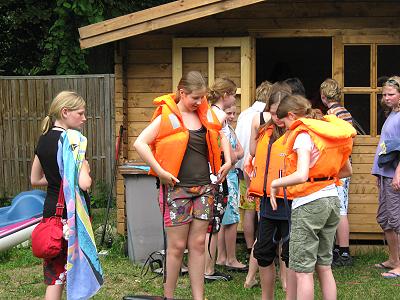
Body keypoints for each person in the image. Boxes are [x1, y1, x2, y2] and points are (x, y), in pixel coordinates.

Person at [134, 71, 231, 299]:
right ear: (182, 93)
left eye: (202, 98)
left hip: (205, 189)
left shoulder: (204, 115)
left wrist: (228, 160)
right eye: (195, 98)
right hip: (177, 190)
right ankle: (169, 296)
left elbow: (223, 133)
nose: (199, 102)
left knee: (198, 244)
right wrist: (160, 171)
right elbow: (141, 143)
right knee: (177, 246)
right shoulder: (167, 117)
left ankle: (199, 297)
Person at [270, 94, 355, 300]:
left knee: (303, 271)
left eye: (286, 124)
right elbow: (346, 171)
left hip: (309, 203)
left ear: (292, 115)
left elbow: (301, 175)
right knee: (324, 266)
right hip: (332, 200)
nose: (288, 129)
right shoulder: (328, 133)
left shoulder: (303, 135)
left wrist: (274, 184)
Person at [31, 91, 102, 300]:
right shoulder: (72, 140)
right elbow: (84, 184)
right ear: (65, 112)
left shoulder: (43, 139)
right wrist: (86, 169)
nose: (84, 118)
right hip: (69, 218)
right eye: (80, 113)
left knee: (56, 276)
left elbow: (35, 178)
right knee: (75, 272)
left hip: (51, 213)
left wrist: (59, 181)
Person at [248, 87, 297, 299]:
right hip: (268, 201)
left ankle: (290, 294)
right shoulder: (263, 130)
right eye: (274, 112)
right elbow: (253, 153)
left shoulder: (298, 133)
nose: (277, 117)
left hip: (292, 201)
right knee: (264, 252)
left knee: (290, 254)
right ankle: (266, 296)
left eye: (281, 112)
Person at [204, 77, 246, 282]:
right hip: (219, 174)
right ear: (225, 95)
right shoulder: (219, 116)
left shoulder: (208, 112)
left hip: (210, 172)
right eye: (233, 95)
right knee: (212, 225)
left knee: (211, 224)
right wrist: (229, 161)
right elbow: (227, 149)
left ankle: (208, 266)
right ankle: (208, 269)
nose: (234, 100)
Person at [235, 80, 273, 260]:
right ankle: (264, 243)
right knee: (261, 209)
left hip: (242, 166)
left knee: (248, 207)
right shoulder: (266, 117)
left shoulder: (244, 114)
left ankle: (250, 247)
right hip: (258, 167)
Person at [320, 78, 354, 267]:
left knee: (339, 210)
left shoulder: (331, 115)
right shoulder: (346, 113)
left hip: (338, 166)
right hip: (346, 163)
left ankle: (343, 252)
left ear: (323, 96)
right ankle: (342, 250)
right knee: (342, 207)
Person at [371, 76, 400, 278]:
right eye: (384, 94)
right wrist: (378, 174)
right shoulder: (391, 114)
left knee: (397, 221)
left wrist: (398, 174)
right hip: (385, 175)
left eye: (391, 94)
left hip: (395, 176)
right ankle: (393, 259)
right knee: (385, 219)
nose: (386, 98)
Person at [216, 104, 246, 272]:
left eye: (234, 113)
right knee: (231, 218)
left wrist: (235, 155)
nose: (232, 116)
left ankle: (222, 256)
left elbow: (240, 151)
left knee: (226, 217)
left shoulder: (230, 129)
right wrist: (233, 155)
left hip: (232, 174)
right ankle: (230, 258)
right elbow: (232, 155)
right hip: (228, 176)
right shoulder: (221, 131)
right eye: (229, 113)